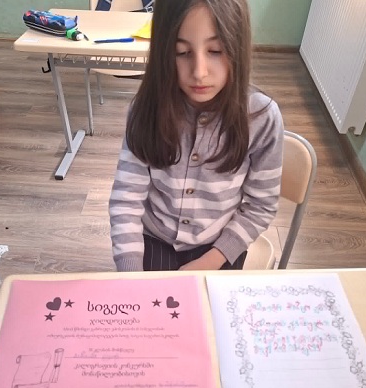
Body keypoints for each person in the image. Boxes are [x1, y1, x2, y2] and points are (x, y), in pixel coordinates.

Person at [108, 0, 284, 272]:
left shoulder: (261, 118)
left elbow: (261, 205)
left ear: (237, 47)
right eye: (182, 52)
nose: (199, 72)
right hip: (156, 238)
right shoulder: (146, 109)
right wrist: (131, 273)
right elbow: (126, 199)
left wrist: (210, 260)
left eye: (215, 50)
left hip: (220, 244)